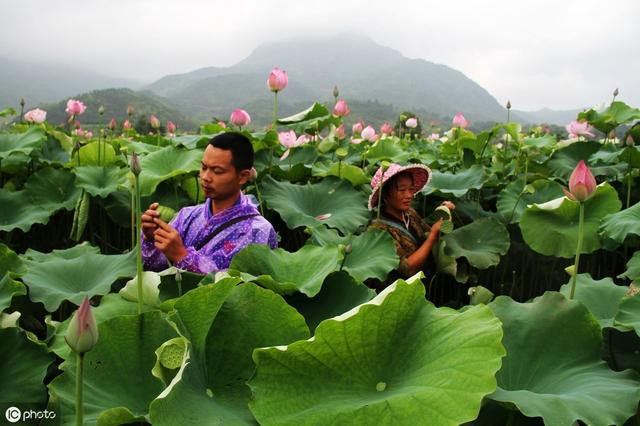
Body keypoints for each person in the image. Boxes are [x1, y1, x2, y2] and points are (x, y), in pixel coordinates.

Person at [141, 132, 277, 274]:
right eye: (204, 168)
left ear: (243, 176)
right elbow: (155, 269)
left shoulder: (259, 231)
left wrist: (182, 256)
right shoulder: (186, 215)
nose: (205, 177)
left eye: (217, 171)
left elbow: (238, 288)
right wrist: (152, 238)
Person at [367, 163, 455, 288]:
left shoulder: (410, 213)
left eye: (411, 189)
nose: (409, 195)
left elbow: (428, 230)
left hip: (424, 284)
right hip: (400, 292)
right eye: (402, 190)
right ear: (385, 195)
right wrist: (432, 238)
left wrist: (444, 212)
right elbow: (406, 269)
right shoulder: (378, 229)